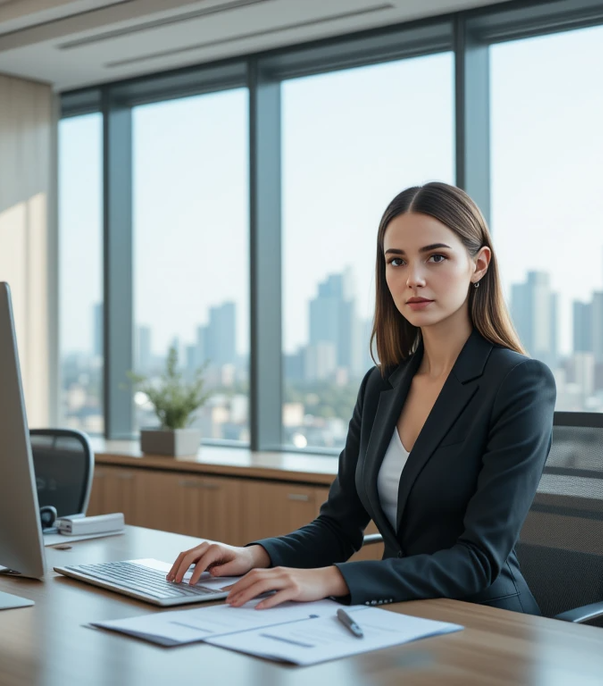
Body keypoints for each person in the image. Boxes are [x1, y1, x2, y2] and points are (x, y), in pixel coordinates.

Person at [167, 182, 556, 614]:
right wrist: (252, 556)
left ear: (479, 265)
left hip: (488, 623)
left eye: (436, 257)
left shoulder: (519, 383)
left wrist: (329, 580)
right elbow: (338, 527)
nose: (414, 279)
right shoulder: (381, 386)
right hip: (399, 614)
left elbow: (479, 560)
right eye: (396, 261)